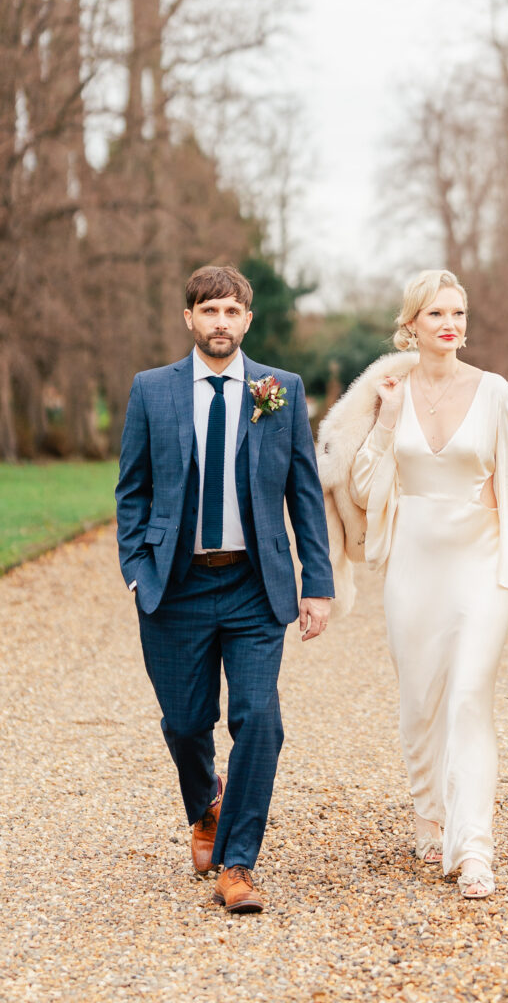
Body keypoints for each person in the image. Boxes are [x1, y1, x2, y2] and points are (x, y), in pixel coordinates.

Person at [319, 269, 508, 899]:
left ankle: (473, 846)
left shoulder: (494, 393)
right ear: (412, 324)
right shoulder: (389, 390)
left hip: (481, 565)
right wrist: (387, 418)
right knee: (420, 703)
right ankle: (429, 814)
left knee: (467, 698)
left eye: (457, 313)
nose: (450, 324)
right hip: (411, 565)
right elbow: (364, 487)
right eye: (435, 314)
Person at [115, 264, 334, 914]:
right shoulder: (152, 390)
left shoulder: (278, 391)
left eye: (231, 312)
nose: (220, 323)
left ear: (247, 319)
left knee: (259, 719)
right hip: (174, 585)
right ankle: (206, 806)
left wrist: (316, 584)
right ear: (189, 319)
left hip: (252, 584)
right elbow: (132, 489)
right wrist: (136, 566)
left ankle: (237, 864)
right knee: (185, 724)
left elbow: (304, 496)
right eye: (208, 311)